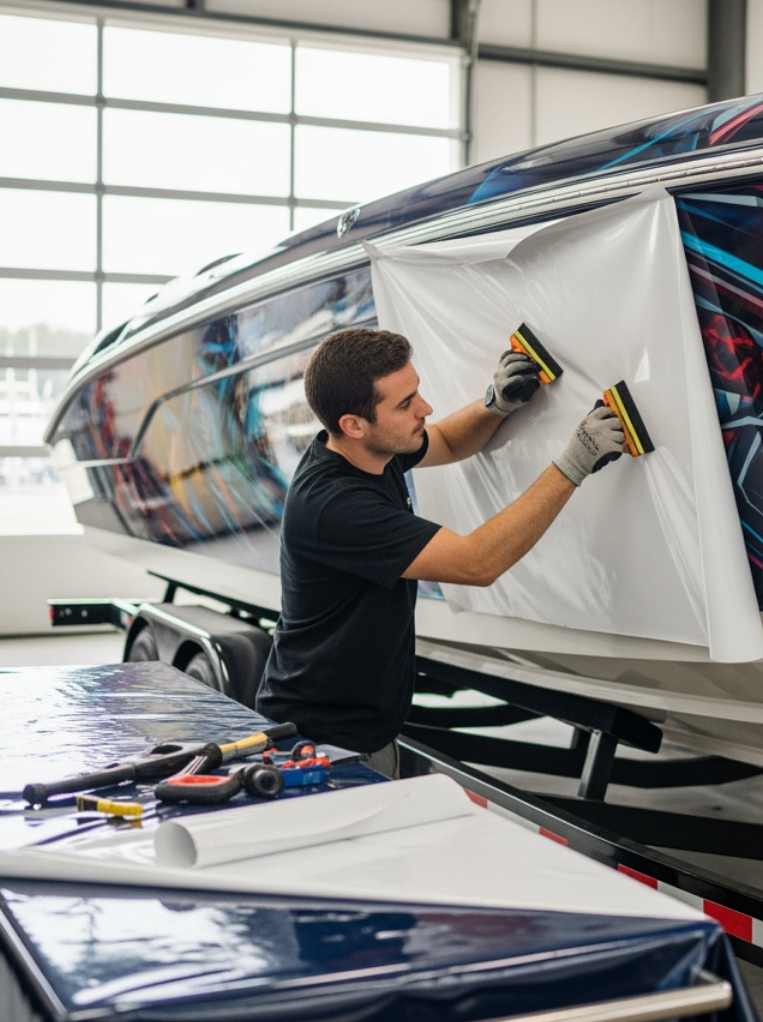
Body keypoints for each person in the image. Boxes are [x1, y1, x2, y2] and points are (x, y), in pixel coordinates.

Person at [255, 326, 625, 777]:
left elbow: (447, 441)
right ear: (354, 425)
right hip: (321, 746)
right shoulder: (334, 507)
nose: (425, 408)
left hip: (361, 732)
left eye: (418, 392)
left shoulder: (369, 452)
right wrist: (575, 461)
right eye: (405, 403)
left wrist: (497, 404)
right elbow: (477, 562)